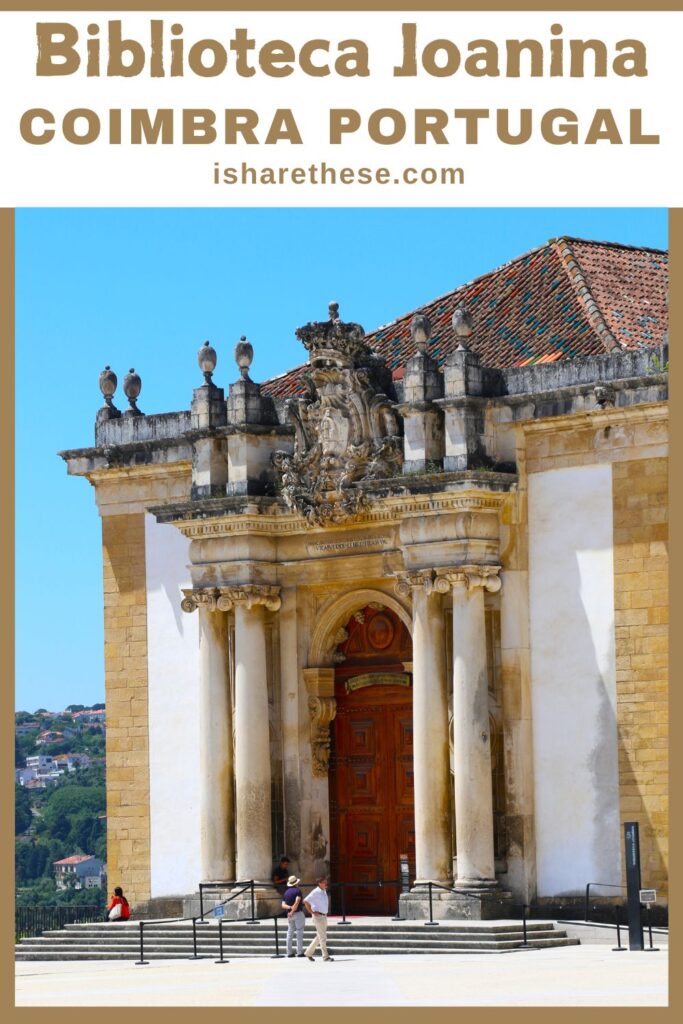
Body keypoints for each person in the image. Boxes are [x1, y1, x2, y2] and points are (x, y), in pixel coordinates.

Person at [303, 876, 333, 961]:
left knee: (319, 936)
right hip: (318, 916)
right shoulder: (315, 892)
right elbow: (305, 901)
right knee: (323, 937)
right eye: (324, 882)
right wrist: (311, 912)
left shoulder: (323, 891)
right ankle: (325, 956)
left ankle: (308, 952)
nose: (326, 883)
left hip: (324, 916)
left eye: (326, 882)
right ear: (320, 883)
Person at [281, 874, 306, 958]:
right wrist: (292, 910)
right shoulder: (297, 891)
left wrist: (290, 909)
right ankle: (299, 952)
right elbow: (297, 901)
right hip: (298, 913)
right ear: (296, 883)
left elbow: (283, 905)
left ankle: (289, 952)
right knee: (299, 932)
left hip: (289, 915)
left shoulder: (286, 892)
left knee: (290, 933)